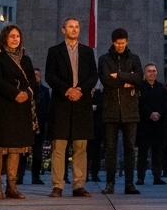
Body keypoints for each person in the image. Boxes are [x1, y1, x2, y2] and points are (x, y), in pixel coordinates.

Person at [0, 24, 37, 199]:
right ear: (5, 38)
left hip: (21, 108)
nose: (15, 39)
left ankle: (12, 186)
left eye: (18, 36)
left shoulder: (26, 59)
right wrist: (14, 93)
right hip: (1, 106)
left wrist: (26, 94)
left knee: (16, 146)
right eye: (12, 36)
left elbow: (32, 82)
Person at [45, 17, 98, 198]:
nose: (74, 30)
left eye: (77, 27)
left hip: (81, 103)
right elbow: (49, 76)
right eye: (70, 27)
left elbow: (93, 76)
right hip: (61, 102)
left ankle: (78, 185)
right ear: (63, 30)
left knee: (80, 147)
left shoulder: (88, 52)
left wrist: (80, 90)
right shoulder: (54, 51)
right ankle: (58, 185)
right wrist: (67, 90)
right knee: (59, 147)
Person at [97, 28, 143, 195]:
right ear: (113, 42)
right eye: (118, 43)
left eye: (123, 43)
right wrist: (127, 78)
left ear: (127, 42)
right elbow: (106, 80)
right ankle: (110, 183)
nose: (121, 46)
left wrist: (120, 75)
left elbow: (138, 78)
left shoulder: (134, 58)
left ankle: (129, 183)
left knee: (130, 147)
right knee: (110, 148)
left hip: (130, 110)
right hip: (110, 110)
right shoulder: (104, 59)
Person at [136, 64, 167, 186]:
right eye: (149, 71)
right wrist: (150, 114)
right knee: (143, 152)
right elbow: (139, 104)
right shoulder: (140, 88)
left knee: (157, 153)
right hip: (144, 125)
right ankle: (141, 177)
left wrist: (159, 114)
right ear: (145, 73)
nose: (152, 73)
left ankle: (157, 176)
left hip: (159, 125)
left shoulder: (161, 88)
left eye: (154, 71)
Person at [23, 68, 51, 185]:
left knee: (38, 151)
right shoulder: (26, 90)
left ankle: (36, 176)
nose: (36, 76)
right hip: (27, 123)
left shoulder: (45, 91)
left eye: (38, 74)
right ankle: (20, 175)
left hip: (40, 123)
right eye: (34, 74)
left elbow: (47, 107)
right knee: (24, 150)